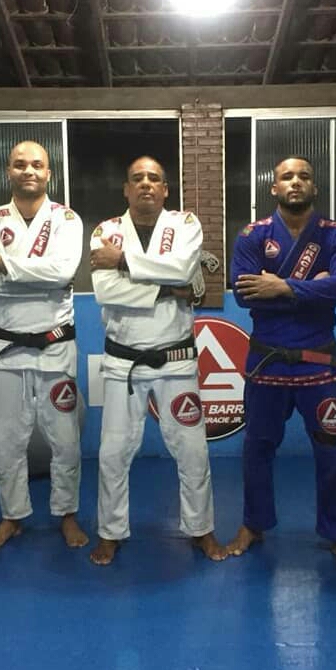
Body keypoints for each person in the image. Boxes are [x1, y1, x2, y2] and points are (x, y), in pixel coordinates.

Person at [225, 156, 336, 571]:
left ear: (314, 187)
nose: (296, 181)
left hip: (317, 361)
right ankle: (254, 524)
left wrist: (282, 286)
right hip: (267, 360)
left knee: (331, 449)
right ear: (274, 188)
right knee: (258, 447)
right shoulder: (252, 235)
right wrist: (314, 287)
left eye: (304, 176)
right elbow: (245, 294)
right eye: (287, 176)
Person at [87, 156, 226, 566]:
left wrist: (124, 263)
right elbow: (107, 292)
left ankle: (201, 528)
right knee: (113, 452)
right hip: (123, 362)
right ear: (126, 189)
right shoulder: (106, 231)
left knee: (193, 450)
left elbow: (183, 269)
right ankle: (111, 531)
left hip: (176, 360)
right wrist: (168, 289)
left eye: (154, 178)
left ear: (165, 189)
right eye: (137, 178)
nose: (146, 183)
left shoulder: (185, 224)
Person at [0, 141, 88, 550]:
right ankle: (12, 516)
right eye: (20, 164)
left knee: (65, 439)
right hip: (7, 349)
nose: (29, 171)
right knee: (5, 440)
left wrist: (3, 264)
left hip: (56, 347)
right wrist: (40, 279)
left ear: (48, 173)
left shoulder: (66, 219)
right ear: (9, 171)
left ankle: (67, 514)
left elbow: (63, 272)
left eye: (37, 164)